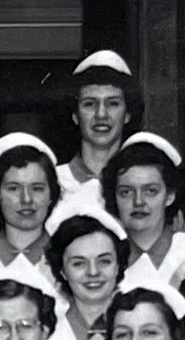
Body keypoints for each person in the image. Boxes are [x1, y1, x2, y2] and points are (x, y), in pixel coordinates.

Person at [43, 208, 129, 340]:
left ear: (118, 266)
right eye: (78, 263)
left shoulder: (142, 324)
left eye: (104, 261)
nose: (93, 272)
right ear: (62, 271)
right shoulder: (46, 336)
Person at [57, 49, 144, 218]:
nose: (101, 114)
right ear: (75, 115)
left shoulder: (142, 187)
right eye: (90, 104)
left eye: (113, 103)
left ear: (127, 114)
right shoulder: (54, 182)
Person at [104, 132, 185, 282]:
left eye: (150, 191)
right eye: (126, 192)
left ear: (170, 196)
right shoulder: (103, 259)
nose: (138, 202)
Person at [0, 132, 63, 287]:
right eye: (13, 188)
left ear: (51, 195)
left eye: (37, 188)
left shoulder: (69, 256)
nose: (26, 199)